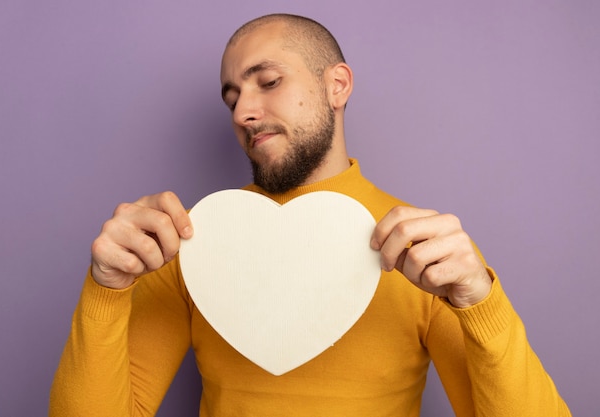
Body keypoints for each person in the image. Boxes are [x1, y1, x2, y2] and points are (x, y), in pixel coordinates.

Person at [49, 13, 571, 417]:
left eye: (268, 81)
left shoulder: (423, 250)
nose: (241, 112)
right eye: (231, 96)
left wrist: (481, 301)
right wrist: (106, 289)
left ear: (337, 85)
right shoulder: (190, 243)